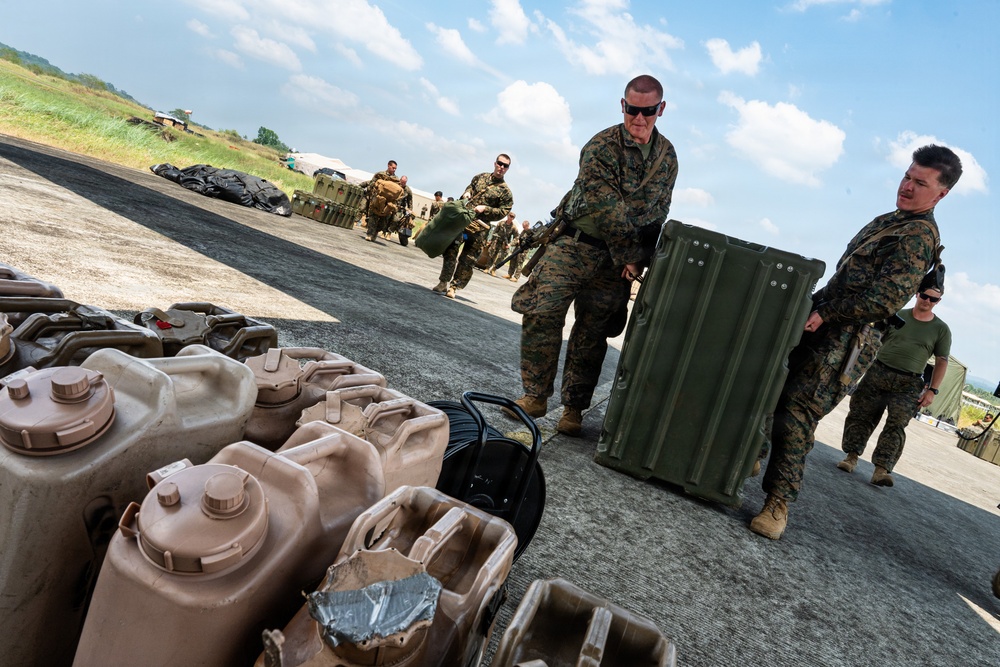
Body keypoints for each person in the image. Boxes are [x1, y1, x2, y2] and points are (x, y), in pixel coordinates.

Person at [750, 144, 962, 541]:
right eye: (906, 176)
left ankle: (778, 503)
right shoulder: (889, 222)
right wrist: (810, 305)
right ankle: (750, 459)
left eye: (920, 183)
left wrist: (827, 313)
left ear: (941, 193)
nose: (907, 186)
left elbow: (885, 299)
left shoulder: (917, 236)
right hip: (824, 324)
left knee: (798, 412)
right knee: (773, 392)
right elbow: (843, 278)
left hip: (848, 339)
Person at [507, 74, 678, 436]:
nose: (639, 118)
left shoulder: (667, 157)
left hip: (617, 264)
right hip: (575, 244)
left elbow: (659, 212)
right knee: (541, 310)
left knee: (593, 334)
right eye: (632, 109)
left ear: (660, 109)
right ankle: (535, 395)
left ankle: (574, 409)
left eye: (647, 111)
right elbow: (607, 208)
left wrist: (640, 259)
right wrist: (631, 254)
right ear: (623, 105)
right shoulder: (601, 145)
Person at [837, 273, 951, 487]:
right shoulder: (897, 315)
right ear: (917, 294)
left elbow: (942, 361)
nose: (928, 302)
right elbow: (872, 340)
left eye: (933, 299)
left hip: (908, 384)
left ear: (939, 301)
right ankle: (851, 457)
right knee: (861, 415)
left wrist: (932, 390)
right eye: (925, 296)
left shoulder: (941, 329)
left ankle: (881, 470)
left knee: (896, 425)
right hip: (878, 373)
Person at [432, 155, 514, 299]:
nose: (501, 167)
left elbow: (503, 211)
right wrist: (467, 193)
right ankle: (443, 281)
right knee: (450, 250)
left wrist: (485, 209)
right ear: (494, 163)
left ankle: (454, 287)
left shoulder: (505, 192)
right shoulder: (480, 177)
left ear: (507, 169)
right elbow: (469, 188)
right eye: (500, 163)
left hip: (480, 228)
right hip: (464, 220)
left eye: (505, 166)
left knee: (468, 258)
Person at [360, 160, 400, 241]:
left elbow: (397, 192)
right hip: (377, 199)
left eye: (395, 168)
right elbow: (372, 183)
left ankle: (375, 232)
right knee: (373, 217)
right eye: (393, 168)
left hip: (387, 203)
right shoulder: (380, 174)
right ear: (388, 166)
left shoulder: (396, 179)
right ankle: (369, 234)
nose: (394, 170)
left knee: (383, 221)